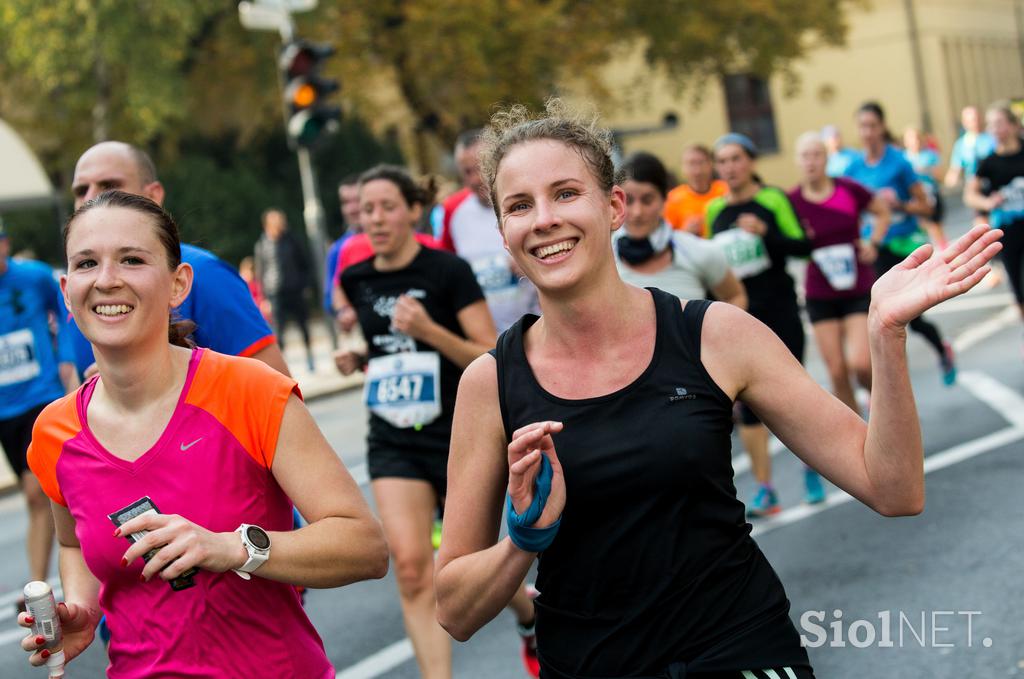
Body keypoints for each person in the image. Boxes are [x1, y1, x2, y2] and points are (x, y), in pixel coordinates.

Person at [433, 99, 1002, 679]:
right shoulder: (491, 382)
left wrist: (885, 332)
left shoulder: (714, 335)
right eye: (520, 206)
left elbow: (894, 488)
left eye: (566, 193)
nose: (545, 219)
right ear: (504, 233)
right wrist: (523, 539)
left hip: (740, 653)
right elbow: (453, 609)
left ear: (614, 206)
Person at [18, 190, 388, 677]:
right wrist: (83, 611)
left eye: (131, 260)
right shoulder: (55, 431)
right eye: (87, 263)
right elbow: (73, 546)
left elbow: (364, 546)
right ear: (66, 291)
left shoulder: (249, 389)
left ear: (178, 284)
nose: (107, 280)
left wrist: (233, 548)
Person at [335, 166, 496, 679]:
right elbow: (387, 349)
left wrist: (429, 330)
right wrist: (360, 356)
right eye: (366, 209)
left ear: (411, 210)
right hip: (393, 436)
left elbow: (489, 354)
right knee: (410, 567)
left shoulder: (448, 272)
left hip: (459, 433)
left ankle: (529, 613)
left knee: (474, 561)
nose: (375, 219)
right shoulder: (355, 279)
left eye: (386, 206)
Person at [439, 129, 542, 673]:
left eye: (478, 168)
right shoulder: (454, 217)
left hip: (544, 336)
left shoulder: (533, 200)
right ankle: (531, 606)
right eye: (464, 172)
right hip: (494, 364)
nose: (471, 179)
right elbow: (455, 282)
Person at [69, 141, 289, 377]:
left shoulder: (205, 275)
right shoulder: (79, 290)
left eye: (109, 185)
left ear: (153, 194)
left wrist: (168, 388)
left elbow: (276, 394)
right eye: (81, 190)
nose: (90, 199)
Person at [705, 133, 812, 516]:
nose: (729, 167)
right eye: (722, 161)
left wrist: (768, 234)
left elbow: (803, 246)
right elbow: (711, 270)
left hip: (780, 309)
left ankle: (811, 467)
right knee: (748, 403)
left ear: (750, 161)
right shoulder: (715, 212)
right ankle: (766, 489)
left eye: (735, 159)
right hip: (738, 321)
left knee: (793, 397)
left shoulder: (772, 199)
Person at [844, 102, 957, 386]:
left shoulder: (899, 163)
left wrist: (902, 205)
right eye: (862, 126)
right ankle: (889, 385)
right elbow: (850, 210)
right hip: (875, 248)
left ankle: (941, 348)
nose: (867, 132)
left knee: (911, 317)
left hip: (903, 247)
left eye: (872, 125)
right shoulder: (853, 168)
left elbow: (927, 206)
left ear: (882, 127)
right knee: (881, 314)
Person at [0, 225, 79, 611]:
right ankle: (39, 585)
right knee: (35, 500)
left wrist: (65, 355)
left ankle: (37, 583)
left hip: (40, 396)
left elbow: (63, 307)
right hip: (3, 408)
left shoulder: (31, 276)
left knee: (36, 491)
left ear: (5, 243)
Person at [788, 132, 891, 422]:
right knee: (836, 370)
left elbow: (881, 211)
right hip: (820, 292)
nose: (811, 161)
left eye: (817, 155)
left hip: (857, 287)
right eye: (805, 156)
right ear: (798, 161)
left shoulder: (847, 189)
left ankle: (886, 414)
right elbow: (786, 242)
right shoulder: (792, 201)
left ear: (826, 158)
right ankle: (858, 432)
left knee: (861, 362)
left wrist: (874, 242)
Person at [615, 151, 747, 309]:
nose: (637, 212)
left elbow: (735, 296)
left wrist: (713, 332)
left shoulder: (697, 250)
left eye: (647, 200)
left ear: (664, 198)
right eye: (628, 200)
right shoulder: (600, 254)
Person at [965, 101, 1024, 333]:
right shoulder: (988, 162)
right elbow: (970, 194)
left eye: (999, 123)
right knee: (1018, 288)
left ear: (1011, 125)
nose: (995, 129)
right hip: (1007, 230)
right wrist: (987, 202)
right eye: (991, 125)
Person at [254, 208, 315, 372]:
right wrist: (264, 298)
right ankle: (282, 365)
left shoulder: (292, 240)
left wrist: (305, 285)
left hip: (295, 289)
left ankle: (310, 358)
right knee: (278, 330)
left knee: (303, 325)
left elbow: (304, 264)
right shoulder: (262, 245)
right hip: (274, 291)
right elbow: (261, 272)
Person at [662, 144, 728, 235]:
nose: (697, 171)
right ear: (683, 168)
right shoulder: (672, 199)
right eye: (691, 164)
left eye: (701, 163)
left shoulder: (726, 190)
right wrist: (685, 232)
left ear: (710, 165)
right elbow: (665, 238)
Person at [903, 126, 948, 248]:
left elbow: (940, 177)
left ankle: (944, 250)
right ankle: (924, 252)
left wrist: (926, 172)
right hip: (913, 198)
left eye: (917, 138)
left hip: (931, 196)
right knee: (919, 227)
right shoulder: (903, 159)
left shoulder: (930, 155)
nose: (915, 141)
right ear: (906, 142)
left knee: (935, 225)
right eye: (912, 138)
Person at [944, 105, 996, 190]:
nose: (975, 122)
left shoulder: (993, 138)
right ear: (964, 122)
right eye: (971, 120)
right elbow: (955, 168)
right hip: (973, 187)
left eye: (977, 119)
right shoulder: (961, 144)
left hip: (994, 183)